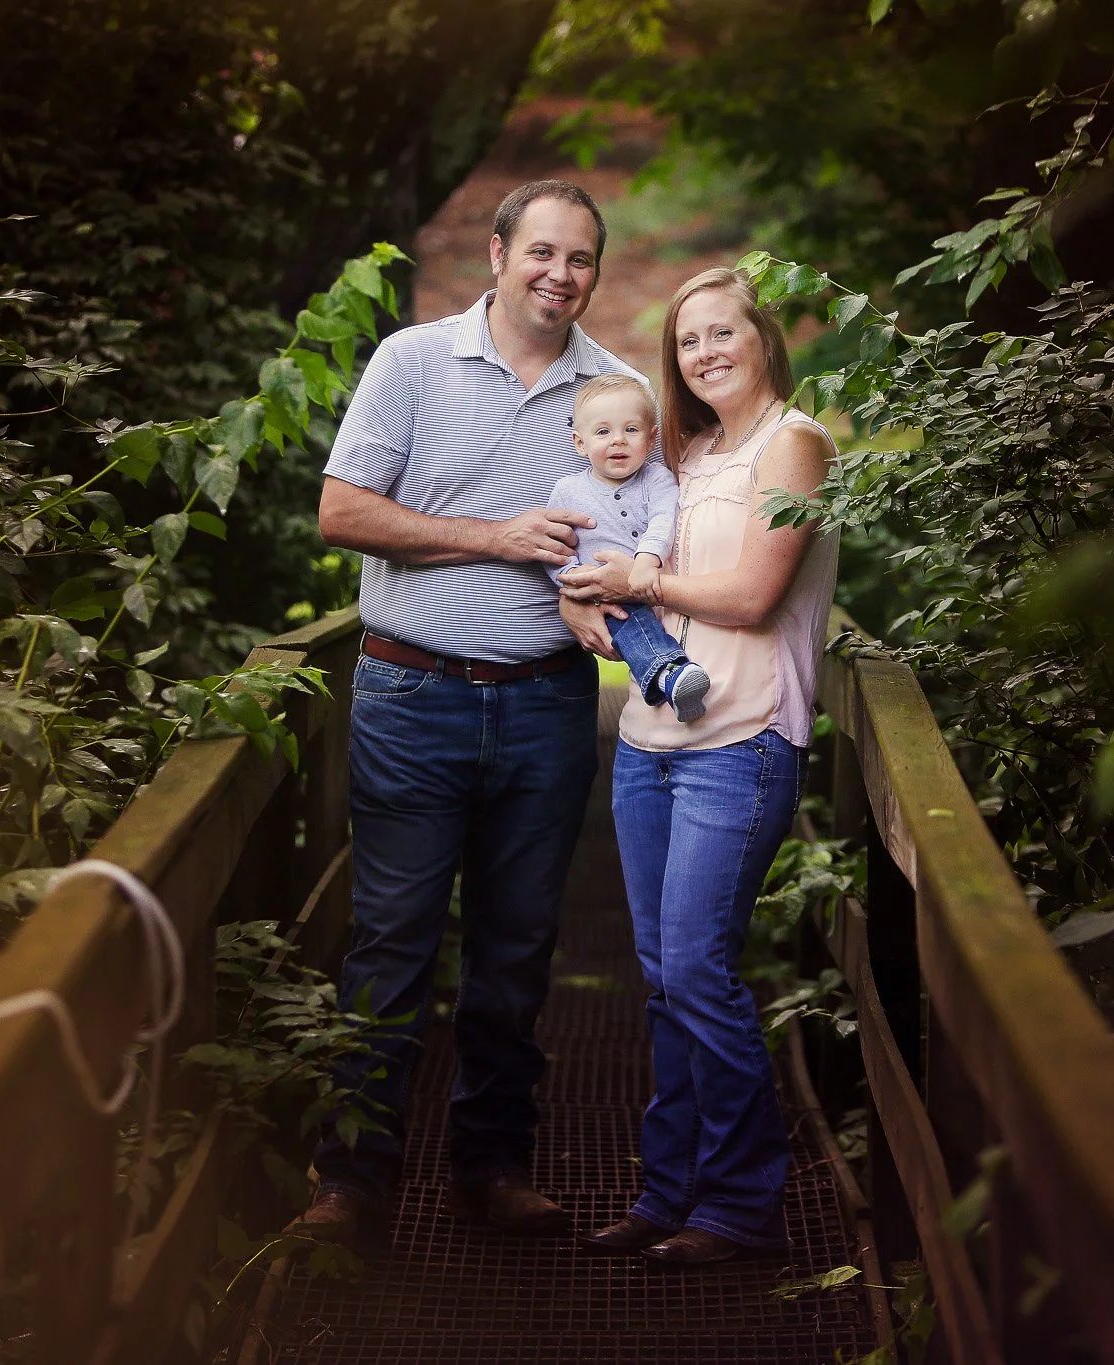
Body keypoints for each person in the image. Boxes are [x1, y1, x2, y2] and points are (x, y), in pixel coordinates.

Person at [284, 180, 642, 1246]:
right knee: (389, 944)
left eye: (579, 258)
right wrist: (495, 536)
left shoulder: (614, 393)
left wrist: (613, 592)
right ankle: (351, 1185)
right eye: (540, 251)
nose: (558, 274)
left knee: (515, 951)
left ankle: (489, 1169)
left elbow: (645, 535)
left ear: (592, 272)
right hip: (411, 695)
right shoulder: (411, 362)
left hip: (544, 706)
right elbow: (339, 512)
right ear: (496, 253)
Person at [558, 266, 839, 1266]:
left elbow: (757, 596)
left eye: (722, 331)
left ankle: (737, 1206)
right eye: (686, 341)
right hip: (647, 746)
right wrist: (583, 596)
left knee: (696, 969)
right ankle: (665, 1194)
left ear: (762, 338)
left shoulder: (793, 444)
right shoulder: (686, 454)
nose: (704, 351)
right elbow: (615, 548)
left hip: (742, 740)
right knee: (664, 981)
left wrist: (644, 575)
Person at [544, 374, 711, 722]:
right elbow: (555, 545)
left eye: (631, 430)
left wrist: (645, 561)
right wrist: (572, 578)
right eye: (603, 432)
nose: (617, 440)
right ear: (580, 442)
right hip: (601, 594)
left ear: (651, 439)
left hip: (653, 580)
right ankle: (670, 676)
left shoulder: (657, 479)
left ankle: (672, 678)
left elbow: (663, 520)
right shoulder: (567, 490)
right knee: (625, 622)